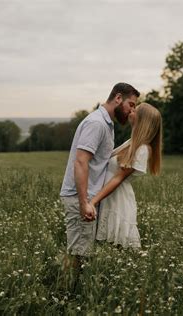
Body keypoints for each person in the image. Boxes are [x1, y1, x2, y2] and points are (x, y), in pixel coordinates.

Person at [60, 83, 140, 271]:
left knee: (82, 253)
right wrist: (84, 202)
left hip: (87, 198)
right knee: (79, 255)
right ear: (118, 98)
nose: (131, 110)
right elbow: (81, 162)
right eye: (131, 104)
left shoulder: (106, 124)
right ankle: (65, 295)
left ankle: (71, 292)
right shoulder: (96, 123)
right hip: (80, 197)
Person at [90, 103, 162, 249]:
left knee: (117, 247)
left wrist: (92, 202)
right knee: (106, 246)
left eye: (136, 110)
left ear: (143, 120)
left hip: (118, 200)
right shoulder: (131, 142)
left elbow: (118, 178)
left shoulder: (142, 149)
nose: (131, 110)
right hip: (109, 196)